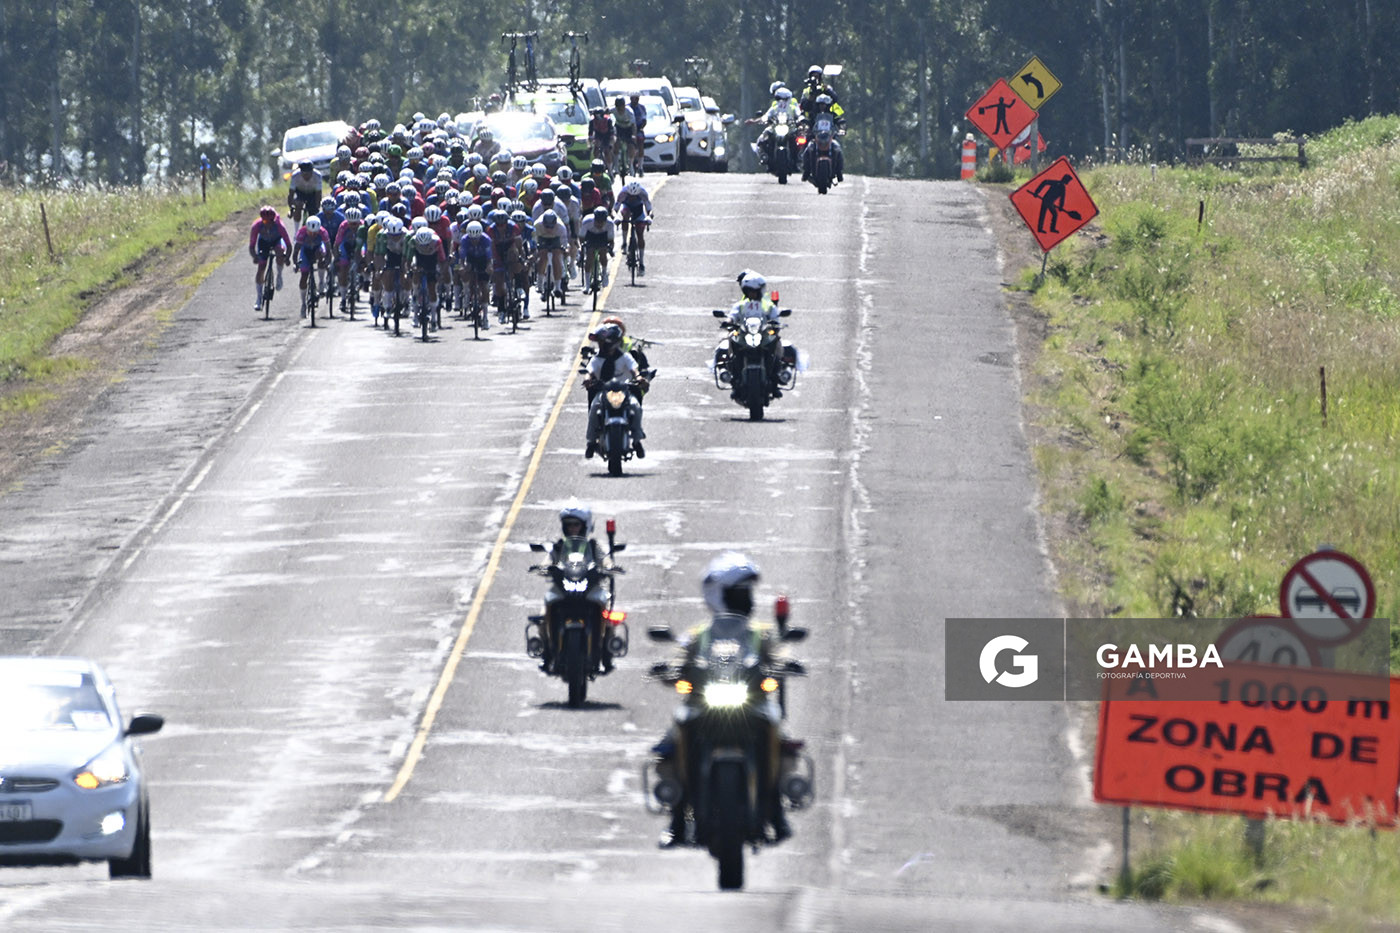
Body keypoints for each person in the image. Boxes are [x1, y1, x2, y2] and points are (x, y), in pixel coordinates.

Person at [652, 552, 797, 847]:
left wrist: (785, 664)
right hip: (702, 707)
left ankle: (777, 811)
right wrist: (669, 670)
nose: (746, 599)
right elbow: (679, 656)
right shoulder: (699, 635)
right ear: (718, 595)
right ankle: (677, 820)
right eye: (738, 593)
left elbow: (780, 653)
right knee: (667, 749)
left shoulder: (761, 633)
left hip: (752, 706)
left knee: (783, 746)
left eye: (747, 593)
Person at [537, 503, 616, 672]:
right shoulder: (558, 546)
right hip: (563, 589)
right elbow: (548, 560)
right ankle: (546, 652)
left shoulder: (594, 546)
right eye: (569, 525)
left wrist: (608, 567)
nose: (572, 528)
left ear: (585, 526)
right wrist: (544, 567)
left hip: (591, 588)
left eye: (576, 524)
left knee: (609, 617)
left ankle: (607, 652)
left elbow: (606, 560)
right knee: (543, 616)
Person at [583, 322, 646, 459]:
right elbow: (589, 371)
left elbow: (634, 369)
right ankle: (591, 441)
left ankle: (636, 440)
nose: (601, 345)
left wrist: (639, 377)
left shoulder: (625, 357)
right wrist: (587, 379)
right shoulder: (597, 359)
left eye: (603, 342)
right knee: (594, 408)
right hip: (603, 393)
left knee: (635, 407)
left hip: (624, 392)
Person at [248, 206, 291, 311]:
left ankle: (279, 275)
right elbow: (252, 245)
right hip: (264, 243)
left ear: (274, 219)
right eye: (265, 221)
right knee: (261, 267)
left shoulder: (279, 225)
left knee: (280, 252)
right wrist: (255, 257)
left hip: (277, 241)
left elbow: (289, 245)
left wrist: (287, 258)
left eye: (270, 221)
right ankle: (258, 298)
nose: (268, 223)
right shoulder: (256, 226)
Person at [800, 94, 845, 185]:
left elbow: (839, 121)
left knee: (838, 149)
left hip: (830, 137)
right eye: (820, 104)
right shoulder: (813, 115)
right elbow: (808, 122)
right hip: (816, 137)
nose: (822, 106)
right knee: (808, 149)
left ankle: (839, 172)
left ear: (828, 105)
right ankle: (806, 171)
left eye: (824, 104)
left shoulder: (833, 115)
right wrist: (806, 128)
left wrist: (841, 129)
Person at [747, 87, 797, 167]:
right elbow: (766, 115)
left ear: (788, 99)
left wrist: (801, 119)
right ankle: (764, 156)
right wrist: (758, 120)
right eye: (779, 98)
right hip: (775, 127)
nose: (782, 101)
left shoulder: (792, 107)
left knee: (799, 139)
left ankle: (797, 158)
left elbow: (799, 115)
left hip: (789, 128)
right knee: (763, 137)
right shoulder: (774, 107)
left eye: (784, 99)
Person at [293, 215, 332, 317]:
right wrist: (295, 263)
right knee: (304, 276)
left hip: (318, 249)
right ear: (307, 229)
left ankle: (321, 283)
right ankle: (303, 304)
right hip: (305, 251)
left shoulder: (323, 232)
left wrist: (326, 262)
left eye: (315, 233)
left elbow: (328, 250)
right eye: (311, 233)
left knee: (321, 255)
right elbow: (296, 250)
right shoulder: (301, 233)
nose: (313, 235)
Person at [614, 181, 653, 275]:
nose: (632, 198)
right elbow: (615, 209)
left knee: (640, 234)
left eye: (634, 196)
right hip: (627, 208)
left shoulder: (643, 193)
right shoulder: (623, 193)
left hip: (638, 210)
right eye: (630, 196)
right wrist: (616, 217)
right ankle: (624, 243)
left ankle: (642, 263)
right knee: (625, 216)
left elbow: (649, 210)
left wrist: (649, 217)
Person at [578, 206, 615, 293]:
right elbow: (582, 237)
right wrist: (582, 247)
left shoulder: (610, 223)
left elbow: (610, 240)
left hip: (603, 237)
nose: (600, 224)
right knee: (589, 256)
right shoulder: (587, 221)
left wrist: (609, 248)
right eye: (598, 221)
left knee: (603, 252)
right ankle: (587, 285)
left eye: (602, 222)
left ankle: (604, 273)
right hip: (590, 236)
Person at [611, 97, 638, 173]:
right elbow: (606, 111)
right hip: (619, 128)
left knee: (631, 146)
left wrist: (633, 135)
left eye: (621, 106)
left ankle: (631, 165)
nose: (620, 109)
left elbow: (633, 125)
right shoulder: (613, 110)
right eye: (618, 107)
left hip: (628, 129)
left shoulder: (629, 112)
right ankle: (616, 166)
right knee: (615, 143)